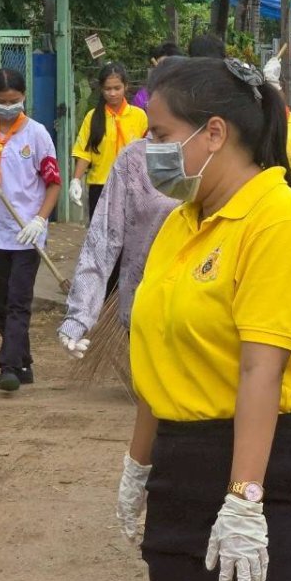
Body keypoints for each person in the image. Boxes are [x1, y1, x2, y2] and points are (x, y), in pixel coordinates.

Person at [115, 57, 291, 581]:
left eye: (159, 135)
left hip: (269, 470)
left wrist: (245, 501)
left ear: (212, 133)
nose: (149, 149)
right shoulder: (183, 223)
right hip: (180, 467)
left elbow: (260, 370)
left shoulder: (279, 223)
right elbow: (158, 352)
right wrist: (140, 466)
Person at [58, 55, 187, 358]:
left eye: (164, 133)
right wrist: (79, 316)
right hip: (106, 187)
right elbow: (101, 243)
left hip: (191, 311)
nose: (156, 139)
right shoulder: (131, 157)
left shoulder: (212, 164)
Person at [0, 69, 62, 391]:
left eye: (14, 101)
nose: (8, 107)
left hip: (27, 232)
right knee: (1, 303)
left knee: (19, 301)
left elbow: (53, 183)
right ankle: (24, 363)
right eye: (2, 102)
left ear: (23, 98)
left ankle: (8, 367)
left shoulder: (37, 134)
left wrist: (40, 220)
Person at [70, 62, 149, 218]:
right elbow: (85, 152)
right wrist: (76, 180)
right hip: (100, 186)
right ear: (101, 89)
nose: (112, 93)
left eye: (117, 88)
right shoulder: (92, 117)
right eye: (108, 89)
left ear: (125, 87)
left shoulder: (139, 116)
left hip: (132, 186)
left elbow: (148, 150)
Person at [132, 42, 183, 110]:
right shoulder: (143, 96)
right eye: (159, 64)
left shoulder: (187, 93)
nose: (162, 69)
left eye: (167, 64)